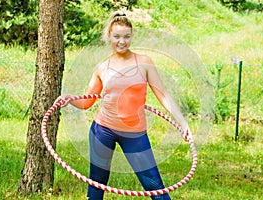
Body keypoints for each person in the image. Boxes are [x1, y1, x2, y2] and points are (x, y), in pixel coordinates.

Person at [59, 10, 192, 200]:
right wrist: (70, 99)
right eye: (117, 37)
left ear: (131, 37)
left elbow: (163, 95)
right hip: (102, 130)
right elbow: (88, 101)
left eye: (126, 37)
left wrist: (182, 123)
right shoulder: (102, 68)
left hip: (134, 134)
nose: (122, 41)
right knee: (97, 182)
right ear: (108, 37)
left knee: (155, 186)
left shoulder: (144, 63)